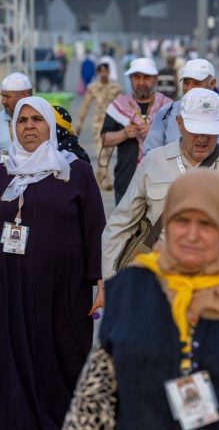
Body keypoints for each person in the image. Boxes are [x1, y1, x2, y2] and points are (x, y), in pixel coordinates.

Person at [65, 170, 219, 429]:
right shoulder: (131, 289)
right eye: (181, 220)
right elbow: (94, 402)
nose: (192, 235)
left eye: (207, 224)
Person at [101, 88, 219, 283]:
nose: (202, 138)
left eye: (210, 131)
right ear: (179, 123)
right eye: (196, 129)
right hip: (170, 288)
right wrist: (108, 283)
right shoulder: (154, 163)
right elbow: (120, 226)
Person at [0, 96, 105, 428]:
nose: (29, 126)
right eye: (22, 120)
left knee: (61, 352)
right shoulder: (3, 172)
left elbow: (95, 229)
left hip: (63, 287)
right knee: (12, 351)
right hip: (9, 286)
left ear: (50, 125)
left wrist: (101, 282)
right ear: (13, 127)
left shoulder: (75, 171)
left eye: (37, 120)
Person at [101, 58, 174, 204]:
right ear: (130, 78)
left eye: (146, 77)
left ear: (155, 79)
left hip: (161, 183)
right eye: (136, 77)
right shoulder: (117, 106)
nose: (141, 82)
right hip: (126, 182)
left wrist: (155, 133)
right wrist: (124, 134)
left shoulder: (168, 107)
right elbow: (105, 139)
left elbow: (179, 141)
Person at [141, 58, 219, 156]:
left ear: (212, 83)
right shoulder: (167, 112)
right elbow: (150, 153)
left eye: (196, 83)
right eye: (186, 83)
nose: (189, 88)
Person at [0, 72, 32, 153]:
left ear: (25, 96)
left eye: (7, 96)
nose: (3, 101)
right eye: (2, 96)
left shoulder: (43, 118)